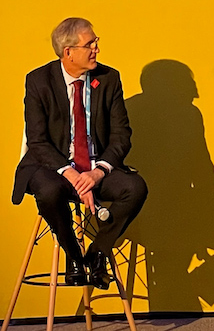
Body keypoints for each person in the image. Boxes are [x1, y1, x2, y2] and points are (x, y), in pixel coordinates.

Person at [14, 17, 148, 289]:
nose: (96, 49)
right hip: (52, 166)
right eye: (90, 44)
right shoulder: (38, 81)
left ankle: (97, 254)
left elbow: (122, 136)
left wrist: (98, 173)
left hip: (95, 166)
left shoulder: (109, 79)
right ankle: (73, 255)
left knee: (135, 187)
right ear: (68, 53)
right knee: (50, 192)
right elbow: (38, 141)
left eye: (95, 42)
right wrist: (74, 175)